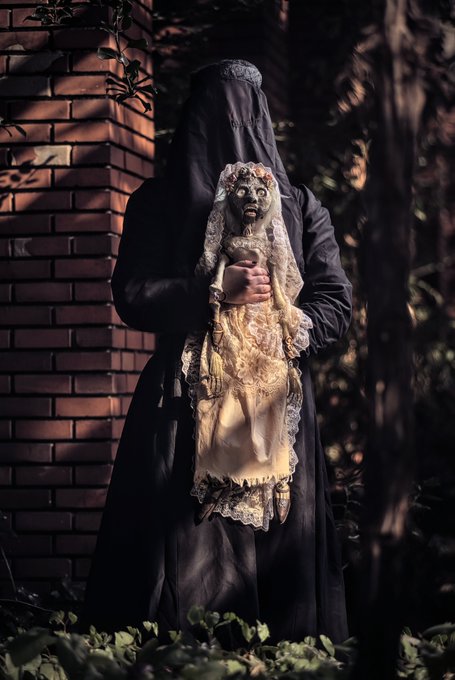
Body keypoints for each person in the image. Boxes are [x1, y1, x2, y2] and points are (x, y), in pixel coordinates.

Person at [83, 60, 352, 643]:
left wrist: (282, 322)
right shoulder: (158, 203)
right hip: (183, 408)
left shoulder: (301, 207)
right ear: (195, 122)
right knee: (188, 563)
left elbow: (335, 301)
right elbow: (133, 294)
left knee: (280, 567)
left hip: (277, 414)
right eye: (219, 117)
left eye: (246, 117)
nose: (235, 133)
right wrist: (212, 290)